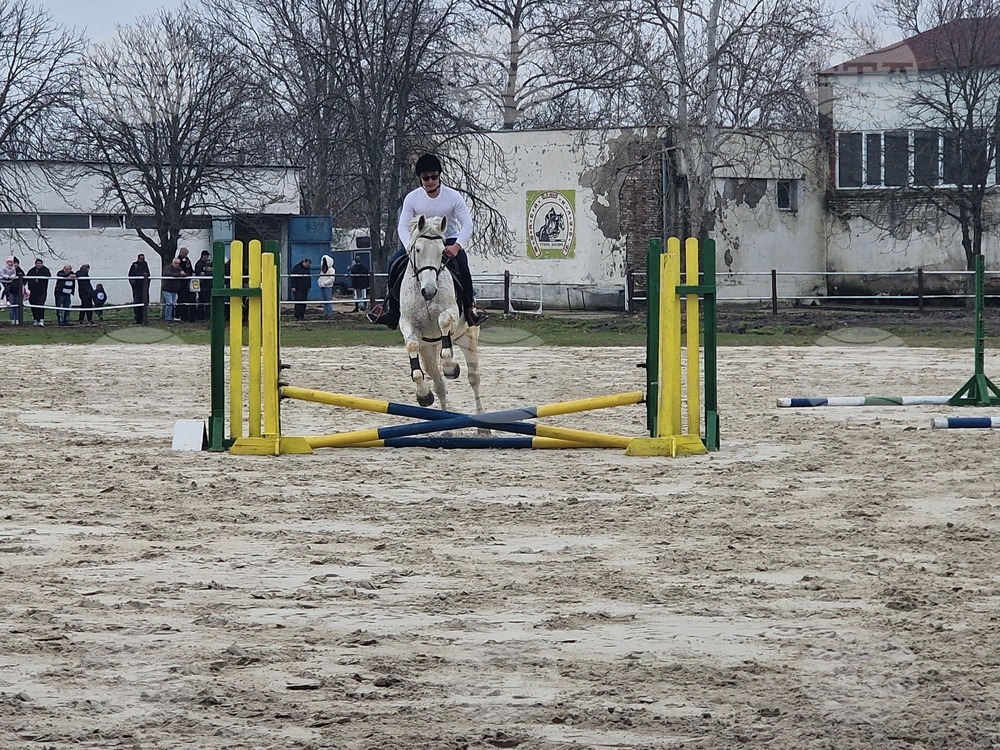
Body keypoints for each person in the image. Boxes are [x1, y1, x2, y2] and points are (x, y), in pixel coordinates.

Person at [369, 153, 487, 329]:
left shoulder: (453, 197)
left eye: (434, 176)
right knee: (394, 263)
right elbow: (402, 226)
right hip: (420, 240)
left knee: (462, 264)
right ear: (420, 179)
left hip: (447, 238)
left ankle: (470, 310)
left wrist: (457, 246)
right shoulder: (412, 198)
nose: (430, 181)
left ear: (439, 176)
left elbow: (467, 224)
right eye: (425, 178)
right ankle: (393, 312)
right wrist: (409, 245)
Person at [26, 258, 51, 327]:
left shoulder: (45, 270)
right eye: (37, 263)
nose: (38, 264)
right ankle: (35, 319)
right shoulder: (32, 270)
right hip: (32, 291)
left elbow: (48, 276)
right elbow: (26, 278)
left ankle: (41, 319)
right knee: (33, 305)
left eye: (40, 263)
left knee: (40, 305)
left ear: (42, 264)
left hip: (41, 291)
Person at [127, 253, 151, 324]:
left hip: (144, 287)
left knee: (145, 302)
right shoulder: (134, 266)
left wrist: (147, 284)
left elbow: (148, 275)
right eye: (141, 259)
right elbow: (131, 276)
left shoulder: (145, 265)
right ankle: (138, 318)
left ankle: (144, 317)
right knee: (137, 302)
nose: (142, 260)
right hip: (137, 288)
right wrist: (134, 284)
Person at [289, 257, 312, 321]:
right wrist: (293, 286)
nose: (308, 266)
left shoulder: (307, 268)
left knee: (304, 302)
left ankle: (302, 315)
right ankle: (297, 315)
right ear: (304, 262)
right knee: (298, 301)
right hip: (298, 288)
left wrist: (309, 286)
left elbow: (309, 277)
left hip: (305, 288)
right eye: (307, 264)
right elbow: (292, 278)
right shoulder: (296, 268)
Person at [175, 247, 195, 321]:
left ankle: (189, 317)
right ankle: (181, 316)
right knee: (181, 299)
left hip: (188, 283)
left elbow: (190, 268)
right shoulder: (178, 260)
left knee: (190, 299)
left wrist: (192, 272)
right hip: (181, 284)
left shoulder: (187, 260)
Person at [194, 249, 213, 321]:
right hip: (203, 285)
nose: (207, 257)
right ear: (203, 256)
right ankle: (202, 316)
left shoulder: (205, 263)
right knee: (204, 301)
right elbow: (201, 273)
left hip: (206, 285)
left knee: (204, 301)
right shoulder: (200, 264)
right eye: (206, 256)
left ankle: (202, 316)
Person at [317, 254, 336, 319]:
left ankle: (330, 314)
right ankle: (325, 314)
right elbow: (321, 277)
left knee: (328, 301)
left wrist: (325, 283)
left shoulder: (331, 270)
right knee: (324, 301)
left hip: (328, 287)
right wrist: (319, 282)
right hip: (322, 287)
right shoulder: (323, 269)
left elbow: (332, 279)